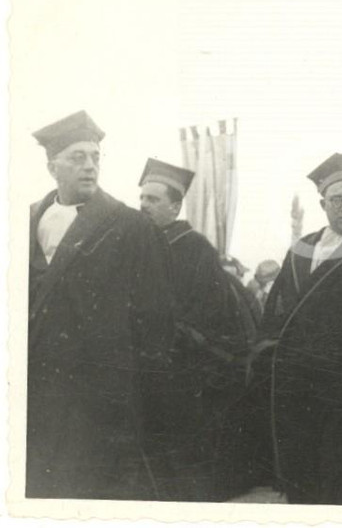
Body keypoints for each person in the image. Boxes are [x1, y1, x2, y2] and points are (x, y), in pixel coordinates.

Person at [27, 111, 176, 499]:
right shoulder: (26, 220)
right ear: (51, 166)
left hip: (101, 402)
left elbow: (156, 319)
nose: (90, 166)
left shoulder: (130, 226)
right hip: (39, 394)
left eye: (95, 157)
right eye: (77, 157)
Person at [255, 153, 342, 504]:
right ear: (323, 204)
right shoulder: (301, 250)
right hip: (297, 389)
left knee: (341, 488)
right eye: (337, 200)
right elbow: (276, 311)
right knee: (300, 485)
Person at [137, 158, 258, 501]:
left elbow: (204, 317)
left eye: (153, 200)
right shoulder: (145, 242)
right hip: (157, 373)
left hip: (188, 376)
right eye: (142, 198)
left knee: (186, 468)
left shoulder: (193, 248)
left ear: (175, 206)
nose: (144, 205)